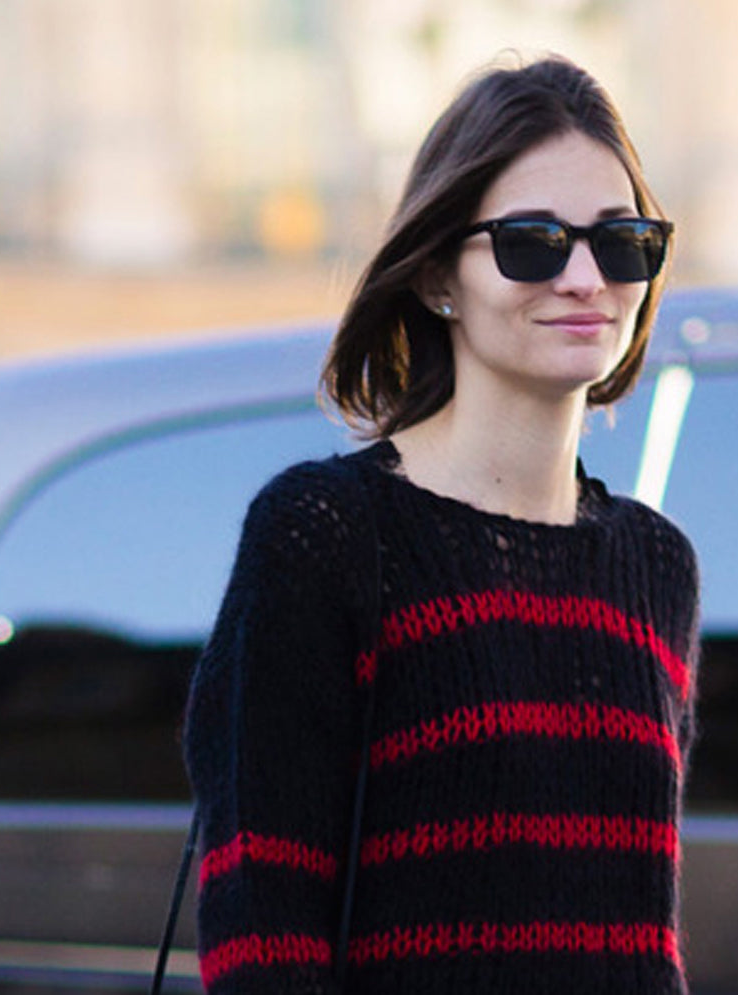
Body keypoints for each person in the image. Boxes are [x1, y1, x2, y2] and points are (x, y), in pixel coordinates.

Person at [184, 54, 700, 995]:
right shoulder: (326, 532)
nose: (585, 276)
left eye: (620, 240)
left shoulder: (656, 564)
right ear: (434, 279)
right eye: (532, 241)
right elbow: (264, 935)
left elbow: (642, 943)